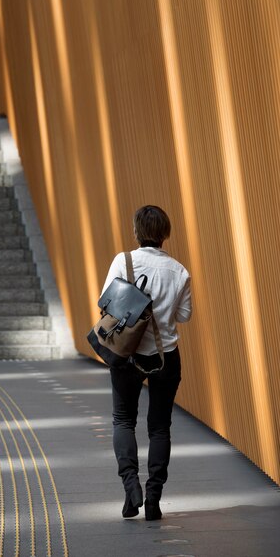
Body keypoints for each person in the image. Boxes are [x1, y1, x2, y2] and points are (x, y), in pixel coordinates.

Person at [101, 205, 192, 520]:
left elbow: (106, 301)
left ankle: (131, 490)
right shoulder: (180, 271)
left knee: (124, 420)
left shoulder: (123, 261)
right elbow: (184, 315)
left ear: (136, 231)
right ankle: (153, 499)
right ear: (165, 234)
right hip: (165, 356)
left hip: (126, 354)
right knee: (160, 427)